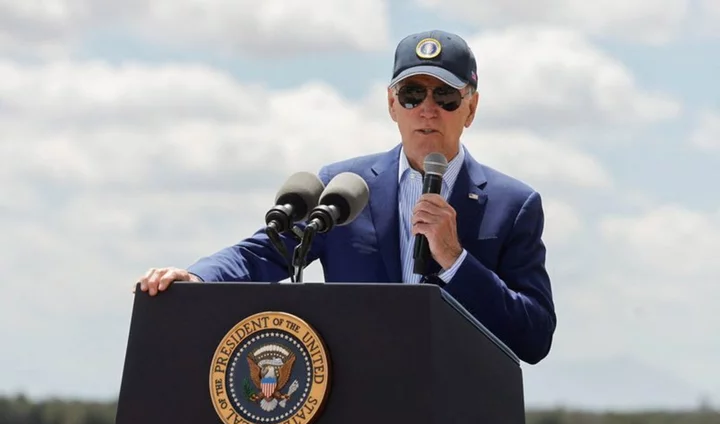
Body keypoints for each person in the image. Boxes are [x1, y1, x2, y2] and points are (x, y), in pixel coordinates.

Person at [137, 30, 557, 365]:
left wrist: (456, 260)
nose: (427, 110)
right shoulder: (344, 187)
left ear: (472, 108)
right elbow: (266, 251)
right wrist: (196, 279)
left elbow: (534, 337)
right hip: (356, 413)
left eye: (445, 97)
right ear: (392, 105)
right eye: (412, 95)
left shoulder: (513, 205)